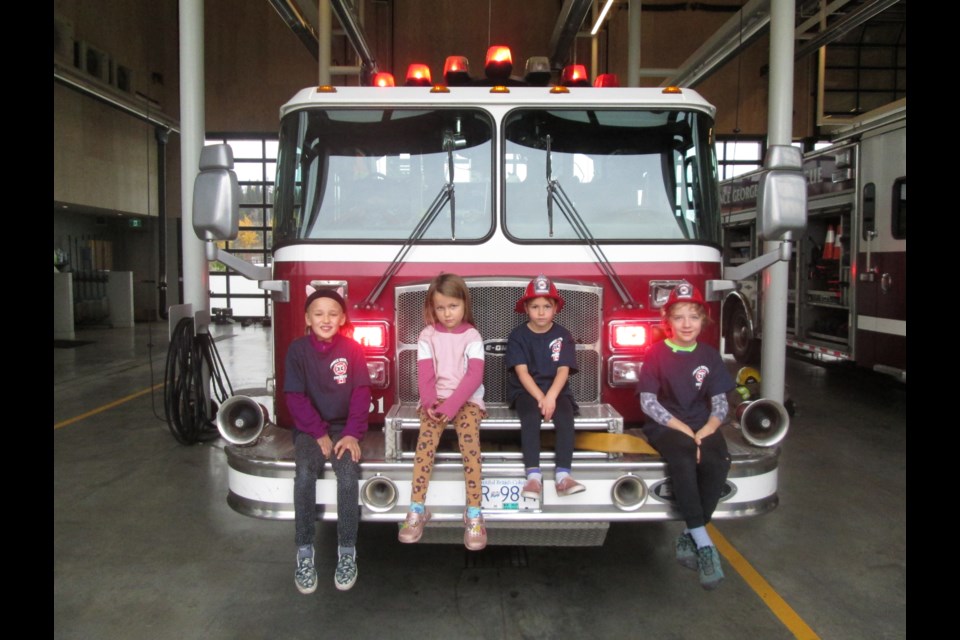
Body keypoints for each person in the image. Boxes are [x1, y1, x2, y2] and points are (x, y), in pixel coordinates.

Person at [636, 281, 735, 590]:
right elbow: (648, 402)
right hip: (667, 426)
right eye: (679, 317)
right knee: (682, 458)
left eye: (693, 316)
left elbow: (720, 401)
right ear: (668, 323)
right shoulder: (655, 354)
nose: (687, 324)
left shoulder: (709, 355)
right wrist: (685, 431)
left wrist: (706, 431)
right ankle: (705, 545)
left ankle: (690, 532)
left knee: (717, 461)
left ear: (702, 320)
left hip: (702, 423)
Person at [285, 288, 372, 594]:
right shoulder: (297, 351)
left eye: (333, 313)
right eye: (318, 313)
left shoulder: (353, 349)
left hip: (344, 430)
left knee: (348, 476)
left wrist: (351, 433)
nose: (326, 319)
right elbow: (294, 398)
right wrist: (318, 433)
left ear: (343, 318)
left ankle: (347, 553)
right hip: (311, 431)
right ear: (307, 318)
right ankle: (305, 552)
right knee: (305, 474)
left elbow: (362, 395)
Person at [398, 274, 487, 551]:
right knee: (425, 445)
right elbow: (425, 374)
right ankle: (416, 510)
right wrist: (429, 404)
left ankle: (473, 513)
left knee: (470, 446)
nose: (447, 314)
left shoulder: (473, 336)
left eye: (453, 306)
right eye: (440, 308)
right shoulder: (428, 335)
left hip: (468, 401)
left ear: (464, 305)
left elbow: (474, 377)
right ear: (432, 308)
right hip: (435, 402)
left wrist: (450, 408)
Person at [506, 275, 585, 501]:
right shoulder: (518, 336)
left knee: (565, 416)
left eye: (547, 306)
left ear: (556, 308)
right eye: (535, 307)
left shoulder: (563, 335)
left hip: (557, 391)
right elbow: (521, 372)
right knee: (530, 416)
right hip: (526, 391)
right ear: (526, 309)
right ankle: (533, 475)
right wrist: (541, 397)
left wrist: (551, 397)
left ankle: (563, 475)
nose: (541, 312)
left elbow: (563, 370)